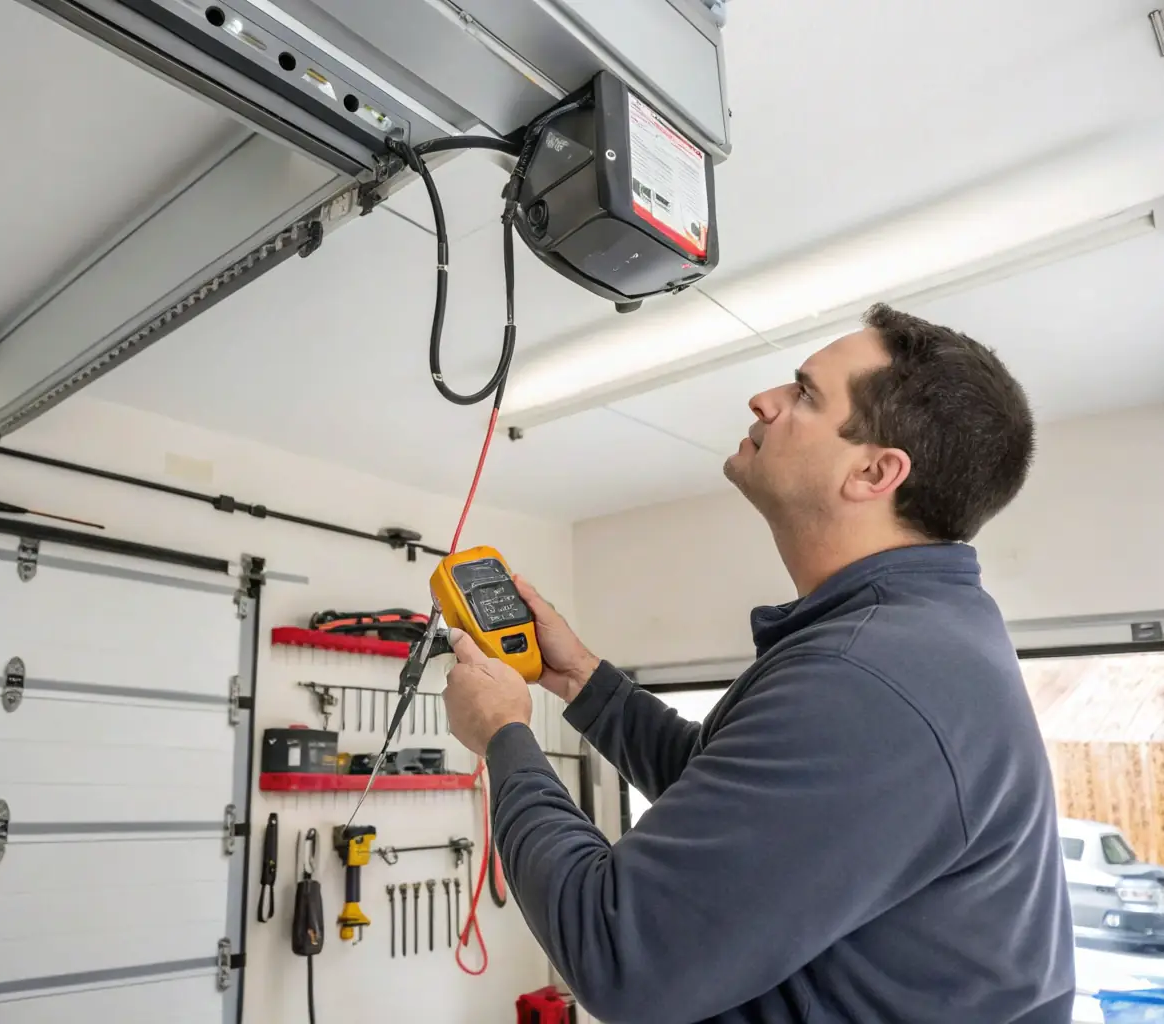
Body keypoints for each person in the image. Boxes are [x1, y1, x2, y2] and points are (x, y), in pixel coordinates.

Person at [442, 303, 1075, 1023]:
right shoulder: (913, 637)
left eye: (803, 393)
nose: (763, 401)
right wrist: (584, 681)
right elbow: (745, 804)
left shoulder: (864, 678)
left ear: (873, 471)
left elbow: (619, 954)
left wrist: (503, 735)